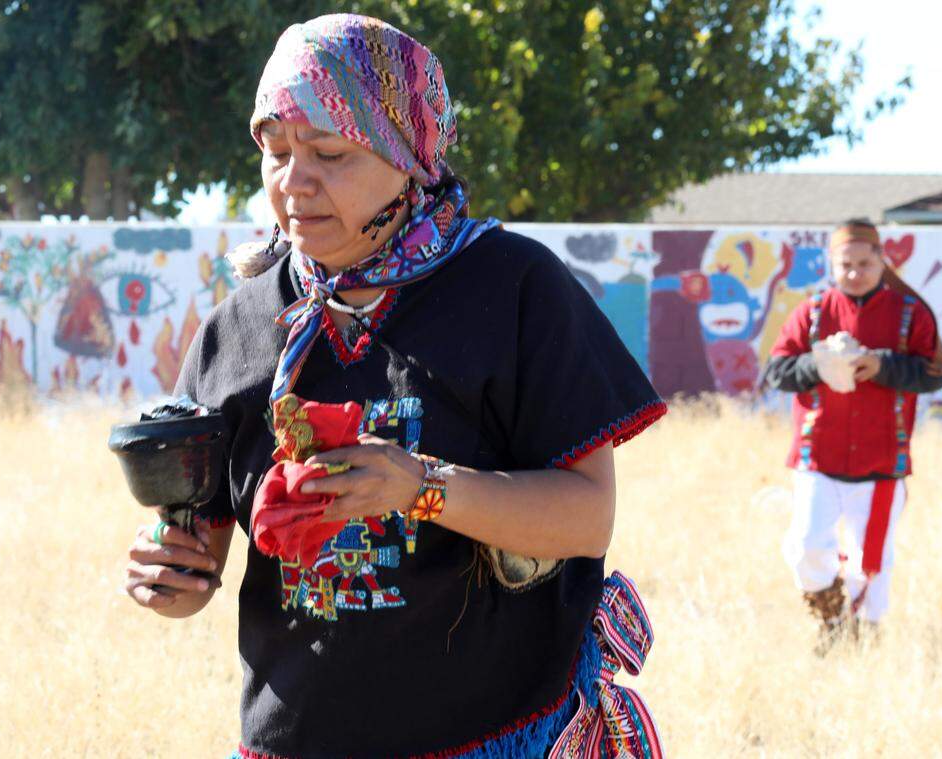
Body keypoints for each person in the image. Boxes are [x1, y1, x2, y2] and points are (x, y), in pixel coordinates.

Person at [123, 14, 666, 757]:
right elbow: (202, 554)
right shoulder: (241, 326)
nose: (293, 181)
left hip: (494, 734)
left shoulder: (510, 288)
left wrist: (421, 487)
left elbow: (586, 517)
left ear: (408, 156)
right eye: (276, 151)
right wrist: (172, 576)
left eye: (330, 153)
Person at [765, 219, 942, 647]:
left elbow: (934, 374)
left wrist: (882, 365)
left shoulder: (909, 314)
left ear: (882, 261)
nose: (854, 272)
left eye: (864, 263)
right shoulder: (812, 312)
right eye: (845, 264)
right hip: (817, 457)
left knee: (872, 561)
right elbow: (777, 371)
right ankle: (829, 621)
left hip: (882, 462)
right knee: (808, 545)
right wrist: (818, 364)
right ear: (832, 263)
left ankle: (863, 640)